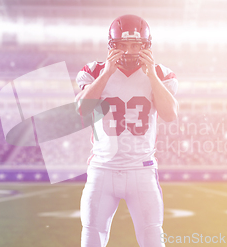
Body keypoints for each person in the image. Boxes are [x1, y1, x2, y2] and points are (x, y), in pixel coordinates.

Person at [75, 14, 179, 247]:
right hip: (102, 168)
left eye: (135, 45)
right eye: (123, 45)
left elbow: (170, 114)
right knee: (91, 238)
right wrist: (107, 74)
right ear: (112, 46)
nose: (129, 51)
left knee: (153, 240)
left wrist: (151, 75)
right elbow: (82, 110)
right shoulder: (94, 71)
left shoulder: (161, 73)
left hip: (141, 170)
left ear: (146, 46)